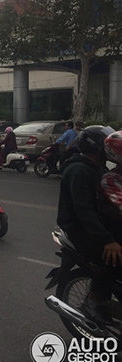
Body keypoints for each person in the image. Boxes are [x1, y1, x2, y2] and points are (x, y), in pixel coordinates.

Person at [57, 125, 121, 325]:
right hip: (80, 229)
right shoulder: (79, 170)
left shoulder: (99, 168)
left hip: (98, 224)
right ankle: (94, 301)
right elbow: (84, 211)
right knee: (113, 256)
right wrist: (106, 239)